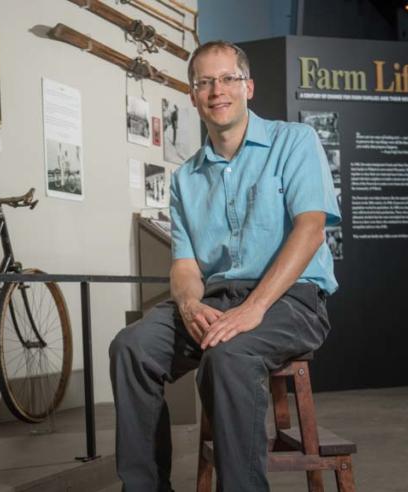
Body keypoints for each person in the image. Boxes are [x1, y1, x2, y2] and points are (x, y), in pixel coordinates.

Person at [109, 40, 341, 491]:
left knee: (228, 355)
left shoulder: (293, 141)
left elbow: (310, 230)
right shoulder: (185, 178)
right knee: (131, 347)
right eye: (205, 82)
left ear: (248, 87)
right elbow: (184, 265)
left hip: (291, 299)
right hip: (215, 300)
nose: (217, 90)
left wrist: (254, 307)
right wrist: (191, 305)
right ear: (193, 96)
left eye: (228, 78)